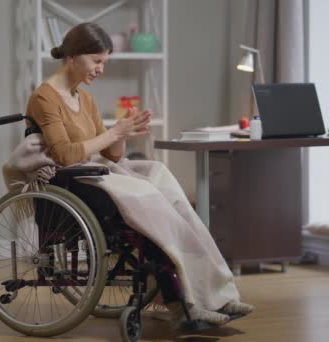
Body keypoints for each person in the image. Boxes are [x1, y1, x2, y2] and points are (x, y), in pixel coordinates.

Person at [25, 22, 254, 326]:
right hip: (69, 181)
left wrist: (125, 132)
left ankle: (218, 294)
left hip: (95, 171)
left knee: (164, 184)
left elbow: (113, 154)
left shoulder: (85, 98)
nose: (100, 69)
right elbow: (64, 154)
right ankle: (183, 300)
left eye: (103, 62)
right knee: (150, 199)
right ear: (72, 57)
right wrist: (114, 132)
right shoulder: (44, 98)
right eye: (96, 61)